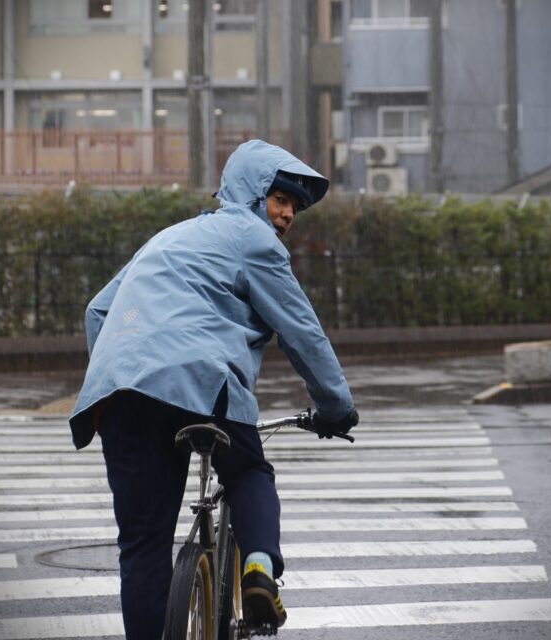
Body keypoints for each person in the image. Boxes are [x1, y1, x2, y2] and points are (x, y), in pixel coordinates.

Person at [69, 139, 358, 640]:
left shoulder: (168, 238)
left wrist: (129, 371)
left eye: (293, 206)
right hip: (202, 382)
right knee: (248, 472)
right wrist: (336, 407)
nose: (287, 214)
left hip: (121, 394)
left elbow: (98, 310)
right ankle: (259, 573)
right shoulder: (255, 241)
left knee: (142, 546)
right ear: (251, 194)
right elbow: (301, 332)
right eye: (280, 199)